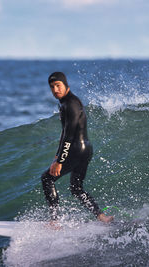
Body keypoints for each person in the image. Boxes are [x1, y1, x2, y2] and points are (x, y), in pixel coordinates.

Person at [40, 72, 114, 224]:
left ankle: (54, 221)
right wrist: (57, 156)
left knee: (47, 178)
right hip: (85, 149)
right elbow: (64, 132)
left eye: (58, 85)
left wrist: (60, 161)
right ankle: (102, 217)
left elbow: (69, 134)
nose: (55, 90)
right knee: (76, 188)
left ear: (66, 85)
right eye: (52, 87)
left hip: (76, 150)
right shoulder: (66, 103)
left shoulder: (71, 104)